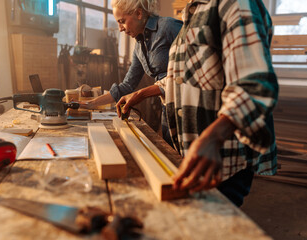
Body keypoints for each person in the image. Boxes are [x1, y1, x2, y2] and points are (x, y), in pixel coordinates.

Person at [116, 0, 278, 207]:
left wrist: (213, 137)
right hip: (198, 154)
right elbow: (182, 77)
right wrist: (139, 94)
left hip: (223, 156)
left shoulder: (234, 4)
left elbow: (256, 84)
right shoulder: (194, 12)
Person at [80, 0, 182, 146]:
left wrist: (140, 94)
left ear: (139, 13)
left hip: (189, 105)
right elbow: (127, 85)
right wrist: (90, 104)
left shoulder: (168, 27)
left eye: (122, 21)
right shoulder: (139, 47)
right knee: (173, 154)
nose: (120, 28)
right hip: (168, 107)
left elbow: (193, 69)